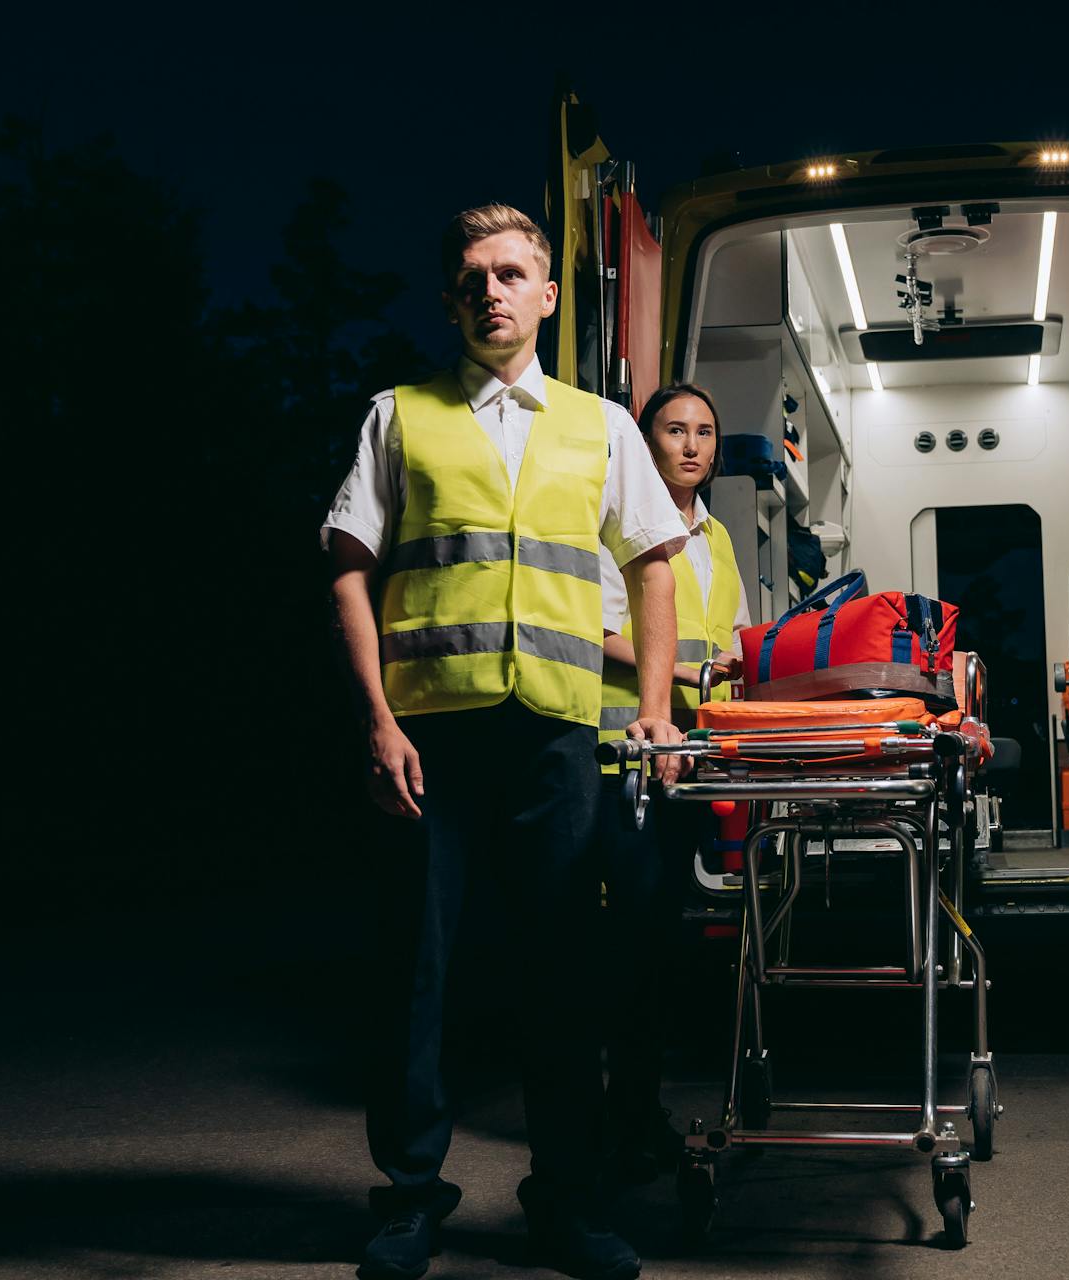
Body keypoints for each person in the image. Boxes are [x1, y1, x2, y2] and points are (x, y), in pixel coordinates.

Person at [322, 202, 686, 1280]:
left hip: (556, 737)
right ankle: (409, 1195)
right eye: (473, 274)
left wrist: (655, 706)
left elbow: (653, 560)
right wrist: (376, 719)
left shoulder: (602, 424)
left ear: (547, 293)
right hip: (427, 737)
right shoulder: (400, 415)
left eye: (512, 271)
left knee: (564, 974)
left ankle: (567, 1199)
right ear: (450, 297)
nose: (492, 290)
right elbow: (349, 565)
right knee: (414, 973)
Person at [593, 384, 751, 1184]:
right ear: (644, 441)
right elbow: (599, 628)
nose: (692, 445)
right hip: (623, 757)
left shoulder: (719, 537)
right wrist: (687, 671)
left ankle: (636, 1109)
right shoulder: (618, 519)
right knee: (625, 945)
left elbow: (734, 636)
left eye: (705, 433)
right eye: (674, 430)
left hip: (693, 759)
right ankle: (612, 1119)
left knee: (658, 943)